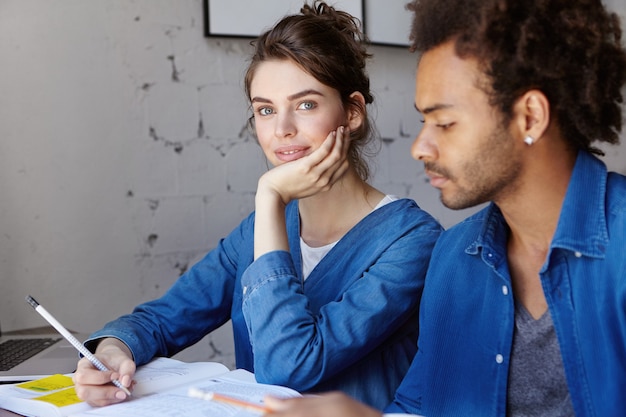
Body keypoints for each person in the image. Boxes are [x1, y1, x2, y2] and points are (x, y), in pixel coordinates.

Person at [72, 1, 442, 410]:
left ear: (352, 113)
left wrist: (269, 196)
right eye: (265, 110)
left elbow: (290, 367)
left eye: (305, 104)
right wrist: (111, 349)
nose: (281, 129)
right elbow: (160, 319)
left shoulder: (413, 242)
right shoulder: (258, 231)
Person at [262, 0, 626, 416]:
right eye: (423, 122)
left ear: (529, 117)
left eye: (445, 123)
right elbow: (419, 405)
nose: (421, 147)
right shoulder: (455, 256)